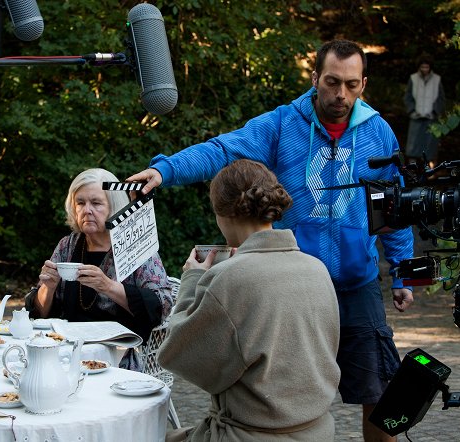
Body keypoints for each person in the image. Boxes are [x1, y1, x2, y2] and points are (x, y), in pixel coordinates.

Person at [128, 40, 414, 441]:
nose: (340, 94)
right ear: (315, 78)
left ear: (363, 83)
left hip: (356, 284)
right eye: (332, 82)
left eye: (351, 85)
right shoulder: (284, 124)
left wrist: (402, 272)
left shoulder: (378, 133)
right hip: (294, 285)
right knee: (287, 389)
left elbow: (397, 206)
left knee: (379, 393)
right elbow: (225, 149)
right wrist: (166, 171)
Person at [158, 159, 340, 441]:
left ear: (222, 214)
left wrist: (192, 280)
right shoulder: (317, 268)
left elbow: (178, 354)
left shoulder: (228, 278)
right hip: (318, 430)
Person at [31, 168, 173, 370]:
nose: (86, 210)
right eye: (80, 203)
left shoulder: (134, 244)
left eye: (96, 203)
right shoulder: (67, 246)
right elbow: (39, 314)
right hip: (65, 354)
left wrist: (108, 286)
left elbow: (163, 304)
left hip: (118, 358)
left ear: (113, 206)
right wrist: (48, 288)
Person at [404, 53, 445, 166]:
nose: (424, 69)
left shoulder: (437, 79)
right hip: (416, 117)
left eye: (426, 67)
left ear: (430, 67)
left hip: (431, 119)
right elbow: (408, 97)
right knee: (413, 145)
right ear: (419, 67)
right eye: (422, 67)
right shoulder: (413, 78)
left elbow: (441, 99)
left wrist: (435, 112)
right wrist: (412, 111)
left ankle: (429, 169)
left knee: (429, 145)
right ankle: (412, 169)